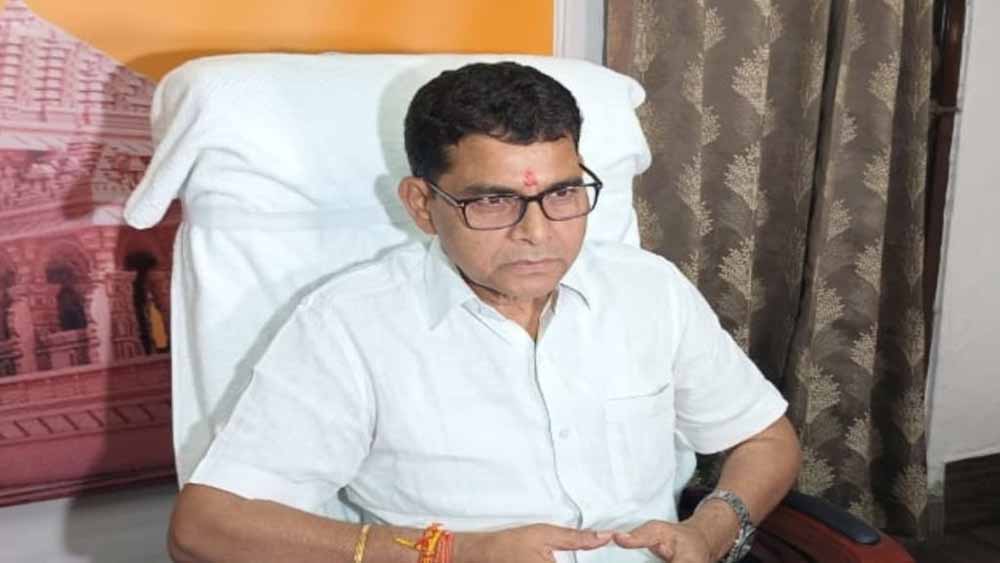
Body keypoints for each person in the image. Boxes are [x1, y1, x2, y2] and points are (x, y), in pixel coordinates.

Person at [168, 62, 801, 563]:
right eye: (493, 202)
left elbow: (765, 438)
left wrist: (711, 531)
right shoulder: (350, 325)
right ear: (422, 205)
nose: (538, 234)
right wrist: (453, 552)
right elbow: (204, 527)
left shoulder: (648, 290)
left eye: (562, 194)